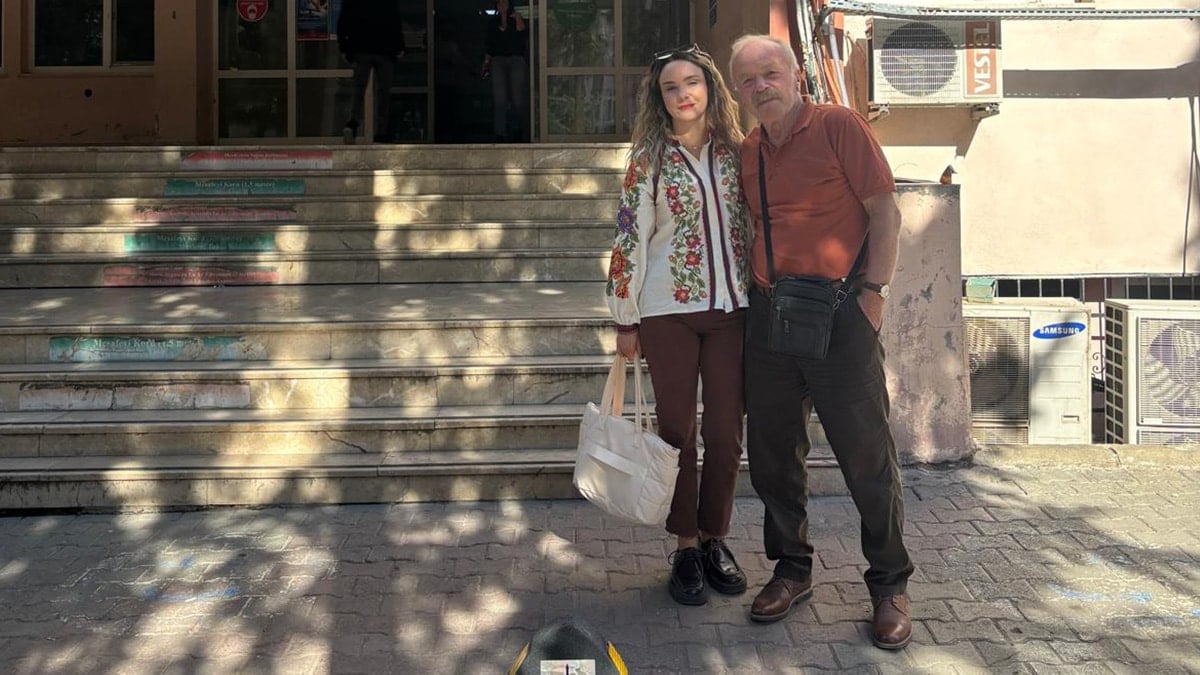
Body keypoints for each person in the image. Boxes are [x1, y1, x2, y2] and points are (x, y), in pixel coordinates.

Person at [729, 34, 915, 649]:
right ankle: (792, 569)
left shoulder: (839, 126)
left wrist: (874, 294)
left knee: (866, 458)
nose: (761, 86)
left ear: (796, 75)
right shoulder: (749, 149)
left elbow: (885, 210)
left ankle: (889, 585)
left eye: (770, 73)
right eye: (749, 79)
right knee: (773, 456)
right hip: (771, 317)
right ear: (739, 91)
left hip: (841, 315)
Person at [605, 44, 752, 606]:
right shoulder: (648, 159)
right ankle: (686, 546)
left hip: (732, 312)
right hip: (666, 312)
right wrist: (625, 316)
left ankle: (716, 538)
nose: (683, 93)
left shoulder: (737, 152)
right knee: (677, 433)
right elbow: (629, 236)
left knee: (726, 433)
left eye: (692, 82)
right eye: (671, 87)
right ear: (659, 98)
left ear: (710, 87)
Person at [337, 0, 406, 144]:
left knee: (359, 90)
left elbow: (343, 21)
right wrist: (399, 46)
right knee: (383, 92)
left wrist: (345, 48)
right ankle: (381, 132)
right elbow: (395, 21)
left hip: (361, 49)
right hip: (385, 50)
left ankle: (352, 124)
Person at [482, 0, 530, 142]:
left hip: (516, 59)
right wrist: (486, 63)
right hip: (498, 60)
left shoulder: (515, 19)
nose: (502, 6)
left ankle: (519, 130)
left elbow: (522, 33)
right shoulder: (492, 23)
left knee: (517, 98)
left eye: (505, 3)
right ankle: (500, 133)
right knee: (500, 99)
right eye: (500, 3)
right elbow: (489, 46)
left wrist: (518, 17)